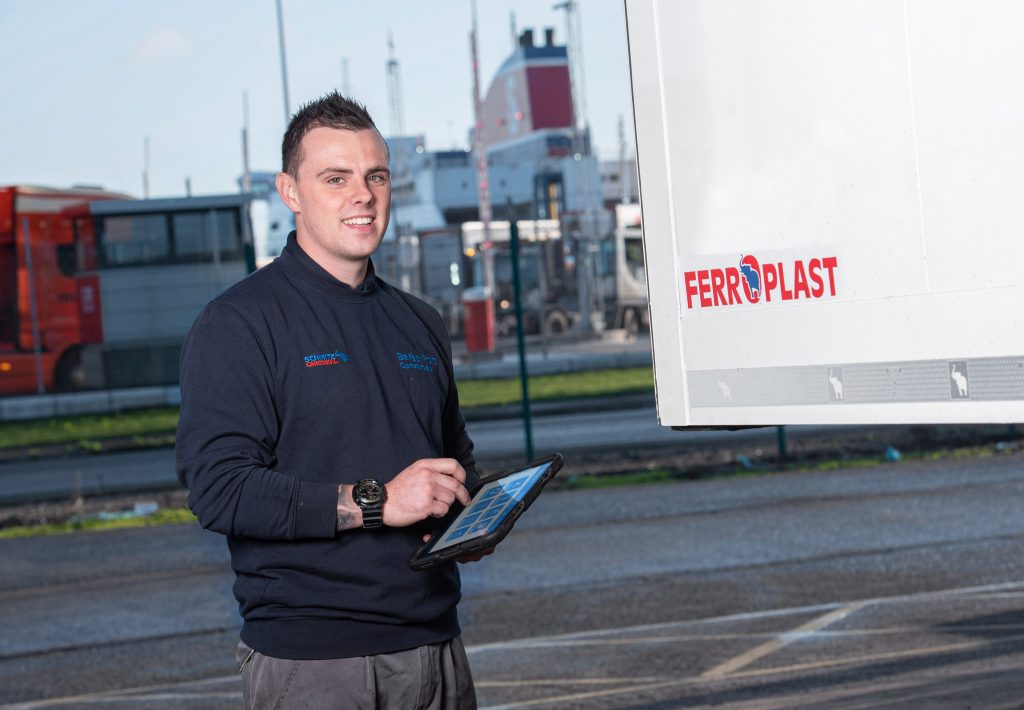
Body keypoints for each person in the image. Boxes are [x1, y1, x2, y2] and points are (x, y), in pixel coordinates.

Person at [176, 91, 482, 709]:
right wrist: (376, 503)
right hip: (315, 663)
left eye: (375, 176)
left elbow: (454, 459)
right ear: (290, 191)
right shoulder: (240, 321)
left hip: (436, 647)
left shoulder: (418, 322)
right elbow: (221, 489)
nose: (362, 196)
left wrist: (469, 514)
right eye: (335, 178)